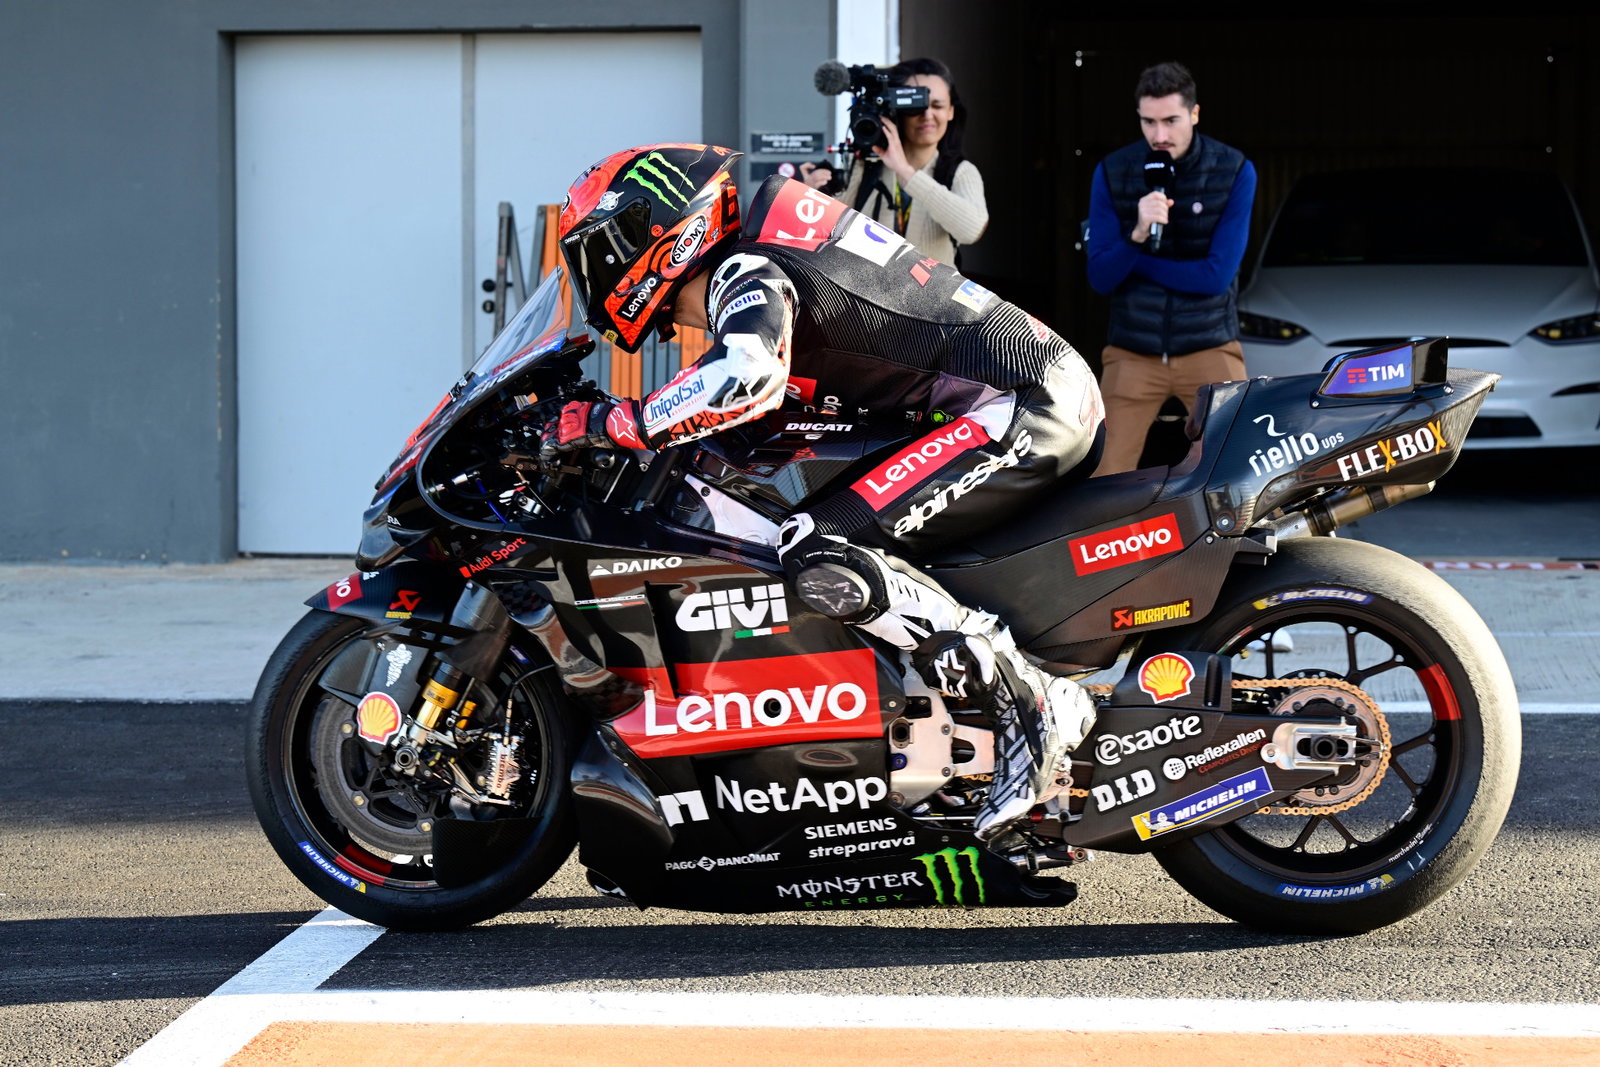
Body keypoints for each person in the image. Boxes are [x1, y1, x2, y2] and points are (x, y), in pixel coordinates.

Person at [546, 143, 1103, 841]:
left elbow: (745, 375)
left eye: (600, 250)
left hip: (1021, 401)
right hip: (1007, 396)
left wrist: (618, 421)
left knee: (819, 544)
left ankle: (1030, 704)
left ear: (651, 234)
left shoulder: (743, 270)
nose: (592, 271)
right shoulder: (753, 258)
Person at [1085, 61, 1256, 476]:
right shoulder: (1113, 171)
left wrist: (1136, 262)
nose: (1159, 136)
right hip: (1132, 349)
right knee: (1102, 473)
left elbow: (1216, 277)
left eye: (1171, 121)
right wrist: (1139, 232)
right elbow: (1101, 277)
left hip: (1209, 344)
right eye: (1148, 122)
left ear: (1194, 114)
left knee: (1242, 464)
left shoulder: (1233, 170)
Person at [834, 57, 987, 267]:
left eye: (937, 105)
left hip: (932, 299)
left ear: (951, 111)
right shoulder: (867, 164)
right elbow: (832, 228)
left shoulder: (960, 172)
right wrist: (813, 190)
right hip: (868, 297)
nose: (927, 115)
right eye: (917, 104)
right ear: (897, 108)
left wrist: (906, 172)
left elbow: (971, 230)